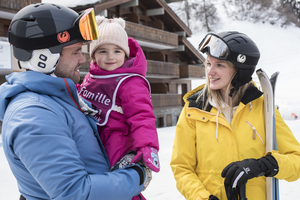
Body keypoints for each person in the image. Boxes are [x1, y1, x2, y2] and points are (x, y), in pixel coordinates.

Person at [0, 3, 150, 200]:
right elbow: (75, 193)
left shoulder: (59, 99)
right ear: (43, 58)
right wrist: (136, 175)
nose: (83, 59)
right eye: (75, 51)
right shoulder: (34, 114)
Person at [170, 31, 300, 200]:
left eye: (220, 65)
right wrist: (201, 197)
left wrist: (264, 165)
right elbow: (181, 167)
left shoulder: (263, 108)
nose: (210, 72)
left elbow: (296, 161)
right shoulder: (194, 110)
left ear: (240, 71)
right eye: (209, 64)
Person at [77, 16, 160, 200]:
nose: (110, 57)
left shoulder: (130, 82)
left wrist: (147, 147)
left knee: (120, 188)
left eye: (116, 50)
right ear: (93, 55)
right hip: (94, 141)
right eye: (103, 51)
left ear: (125, 53)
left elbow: (142, 117)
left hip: (118, 143)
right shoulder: (92, 77)